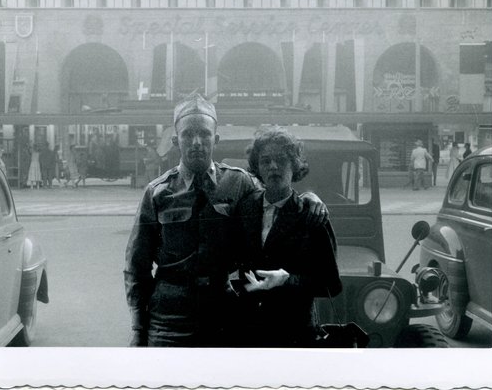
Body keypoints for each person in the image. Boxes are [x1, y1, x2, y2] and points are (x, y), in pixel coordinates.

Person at [124, 93, 327, 347]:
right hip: (168, 321)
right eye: (188, 135)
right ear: (177, 141)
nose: (197, 142)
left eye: (205, 134)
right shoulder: (157, 193)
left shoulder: (239, 183)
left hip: (222, 314)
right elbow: (136, 266)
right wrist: (138, 328)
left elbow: (276, 195)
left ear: (215, 139)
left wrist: (308, 198)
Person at [232, 127, 342, 347]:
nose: (273, 166)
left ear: (295, 166)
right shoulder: (244, 208)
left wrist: (287, 280)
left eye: (281, 160)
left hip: (294, 333)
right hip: (248, 330)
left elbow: (331, 284)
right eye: (265, 161)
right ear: (257, 168)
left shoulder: (311, 214)